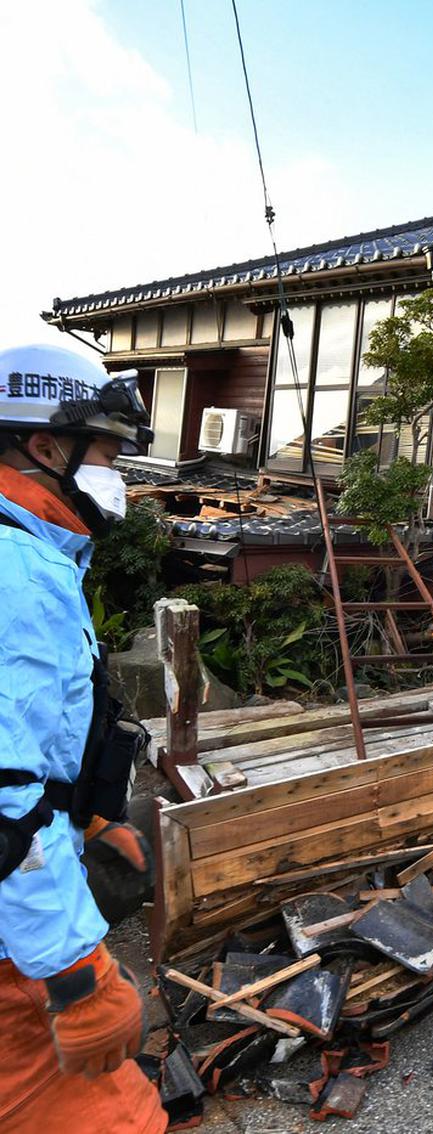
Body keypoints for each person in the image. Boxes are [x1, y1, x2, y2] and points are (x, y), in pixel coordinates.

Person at [0, 344, 167, 1134]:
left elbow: (38, 734)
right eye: (106, 451)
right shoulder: (15, 573)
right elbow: (2, 800)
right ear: (45, 447)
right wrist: (76, 972)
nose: (117, 473)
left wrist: (90, 811)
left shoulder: (34, 557)